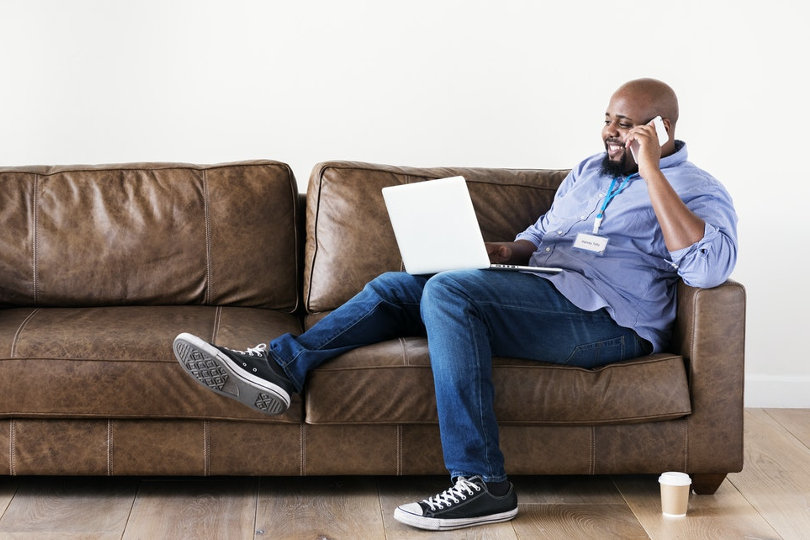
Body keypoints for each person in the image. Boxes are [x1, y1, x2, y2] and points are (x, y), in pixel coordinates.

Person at [173, 78, 737, 531]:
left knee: (449, 290)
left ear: (662, 128)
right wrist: (505, 249)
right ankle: (279, 364)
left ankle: (483, 482)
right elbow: (544, 234)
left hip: (611, 321)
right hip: (545, 292)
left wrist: (652, 171)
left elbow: (709, 268)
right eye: (609, 119)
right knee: (404, 284)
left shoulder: (697, 187)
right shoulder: (587, 173)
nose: (613, 133)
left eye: (628, 123)